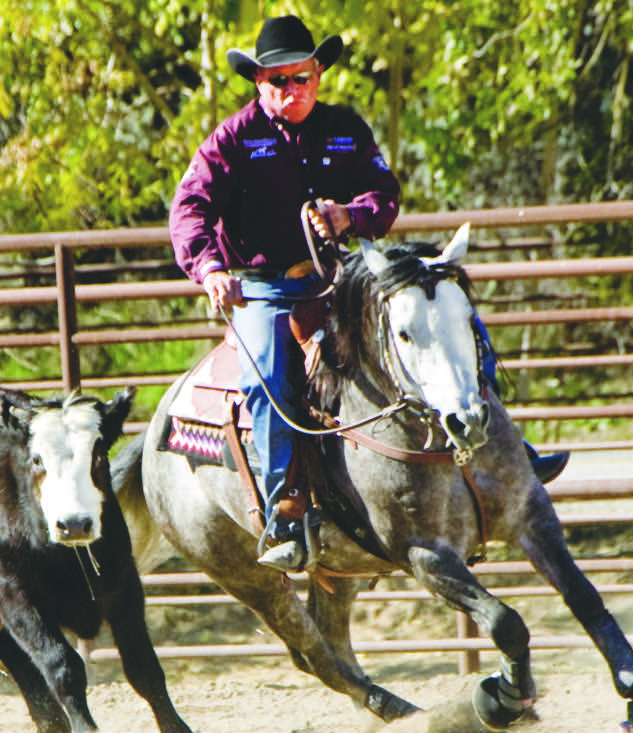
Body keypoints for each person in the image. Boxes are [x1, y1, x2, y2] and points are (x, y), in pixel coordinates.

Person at [170, 15, 567, 573]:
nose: (292, 89)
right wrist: (210, 268)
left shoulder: (345, 129)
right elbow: (190, 207)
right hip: (268, 289)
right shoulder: (232, 139)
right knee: (267, 374)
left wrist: (349, 215)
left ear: (318, 74)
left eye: (302, 77)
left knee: (447, 320)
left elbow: (384, 193)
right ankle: (284, 507)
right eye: (279, 80)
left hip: (346, 276)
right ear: (258, 81)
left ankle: (507, 451)